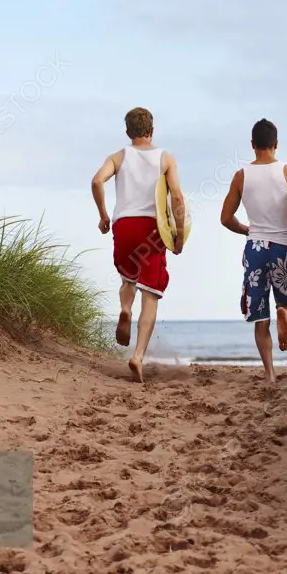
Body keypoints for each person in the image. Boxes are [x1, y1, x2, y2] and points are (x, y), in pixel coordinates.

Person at [220, 118, 287, 384]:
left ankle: (270, 374)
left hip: (255, 249)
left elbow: (225, 218)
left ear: (252, 145)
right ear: (276, 144)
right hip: (283, 247)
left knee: (259, 316)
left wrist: (246, 230)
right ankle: (284, 315)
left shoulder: (241, 176)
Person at [91, 107, 185, 383]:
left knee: (127, 280)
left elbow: (97, 181)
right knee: (151, 295)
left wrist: (103, 215)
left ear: (128, 132)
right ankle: (137, 356)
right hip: (152, 229)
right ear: (152, 130)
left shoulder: (118, 156)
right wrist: (178, 234)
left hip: (124, 226)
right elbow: (176, 198)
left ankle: (125, 310)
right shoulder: (165, 158)